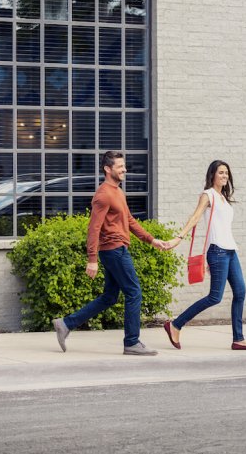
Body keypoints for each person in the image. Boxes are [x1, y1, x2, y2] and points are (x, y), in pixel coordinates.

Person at [52, 151, 169, 355]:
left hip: (118, 249)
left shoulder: (118, 191)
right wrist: (92, 259)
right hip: (114, 250)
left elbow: (130, 220)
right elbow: (93, 228)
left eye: (124, 166)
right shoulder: (103, 194)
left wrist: (151, 240)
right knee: (134, 292)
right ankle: (132, 342)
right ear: (108, 169)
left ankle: (65, 324)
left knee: (109, 297)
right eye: (120, 166)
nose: (125, 169)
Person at [162, 160, 246, 351]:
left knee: (240, 292)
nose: (224, 176)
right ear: (212, 175)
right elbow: (196, 217)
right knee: (215, 297)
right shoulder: (208, 195)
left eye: (226, 173)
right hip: (218, 252)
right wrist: (178, 238)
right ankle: (175, 324)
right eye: (221, 173)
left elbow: (218, 226)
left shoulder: (223, 197)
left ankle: (238, 339)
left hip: (231, 251)